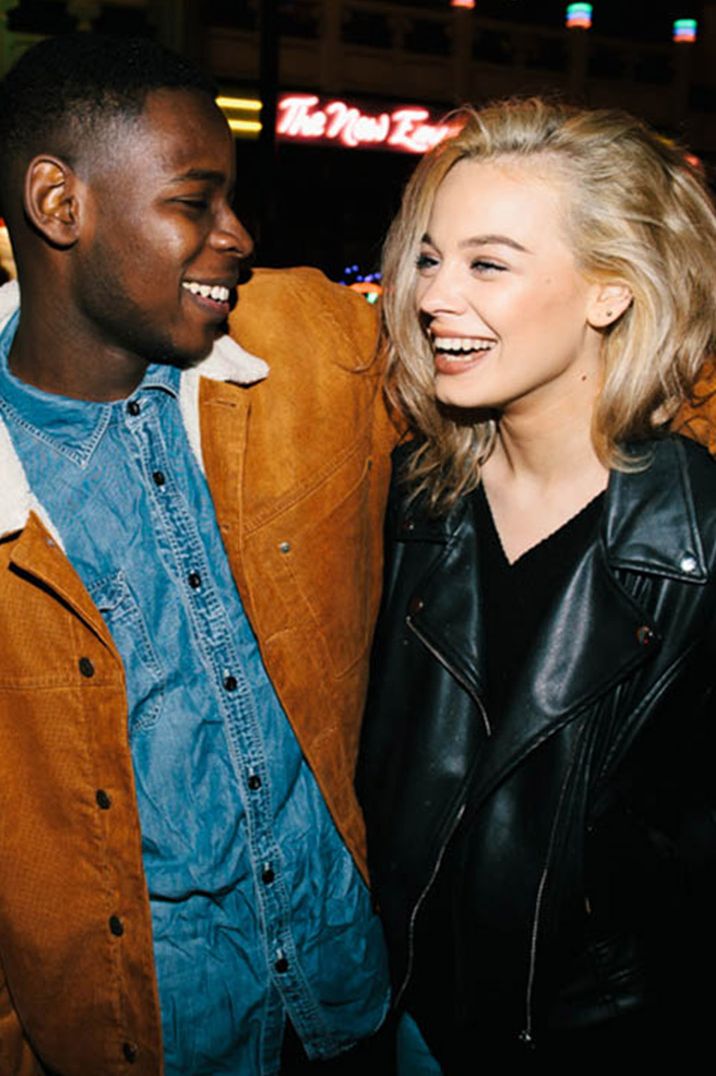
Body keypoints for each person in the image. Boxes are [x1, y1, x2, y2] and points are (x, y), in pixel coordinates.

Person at [0, 33, 398, 1076]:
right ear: (59, 205)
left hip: (351, 998)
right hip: (160, 1037)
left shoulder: (312, 341)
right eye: (194, 200)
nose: (238, 234)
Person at [357, 97, 716, 1071]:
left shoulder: (699, 545)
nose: (432, 296)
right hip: (404, 1022)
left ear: (608, 292)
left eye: (487, 262)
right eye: (428, 257)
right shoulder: (401, 505)